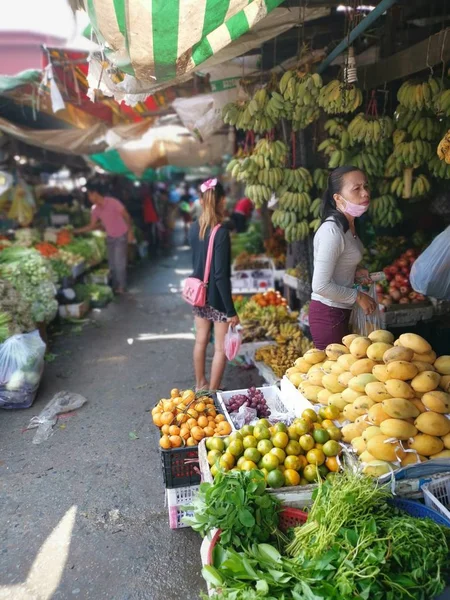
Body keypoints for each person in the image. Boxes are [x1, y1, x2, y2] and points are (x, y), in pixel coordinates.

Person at [309, 166, 377, 349]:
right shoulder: (332, 231)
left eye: (366, 187)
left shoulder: (349, 226)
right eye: (356, 189)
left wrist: (355, 270)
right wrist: (358, 297)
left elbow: (340, 263)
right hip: (328, 315)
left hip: (341, 311)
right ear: (338, 198)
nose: (365, 193)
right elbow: (320, 285)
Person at [189, 178, 239, 392]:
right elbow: (220, 276)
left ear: (201, 201)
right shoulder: (221, 232)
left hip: (198, 294)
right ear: (222, 201)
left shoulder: (194, 228)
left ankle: (201, 384)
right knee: (220, 348)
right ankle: (213, 392)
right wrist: (231, 311)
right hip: (217, 299)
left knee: (200, 341)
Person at [74, 180, 135, 294]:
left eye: (89, 195)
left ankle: (122, 286)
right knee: (112, 264)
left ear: (95, 193)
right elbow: (91, 226)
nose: (88, 198)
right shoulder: (94, 209)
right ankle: (116, 285)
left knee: (119, 263)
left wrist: (130, 232)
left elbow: (126, 216)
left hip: (121, 235)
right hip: (110, 237)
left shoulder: (113, 202)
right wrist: (76, 231)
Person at [142, 184, 159, 255]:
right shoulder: (146, 198)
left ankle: (153, 247)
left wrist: (158, 216)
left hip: (152, 218)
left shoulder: (151, 197)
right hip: (149, 218)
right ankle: (152, 247)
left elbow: (155, 207)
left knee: (152, 233)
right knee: (151, 233)